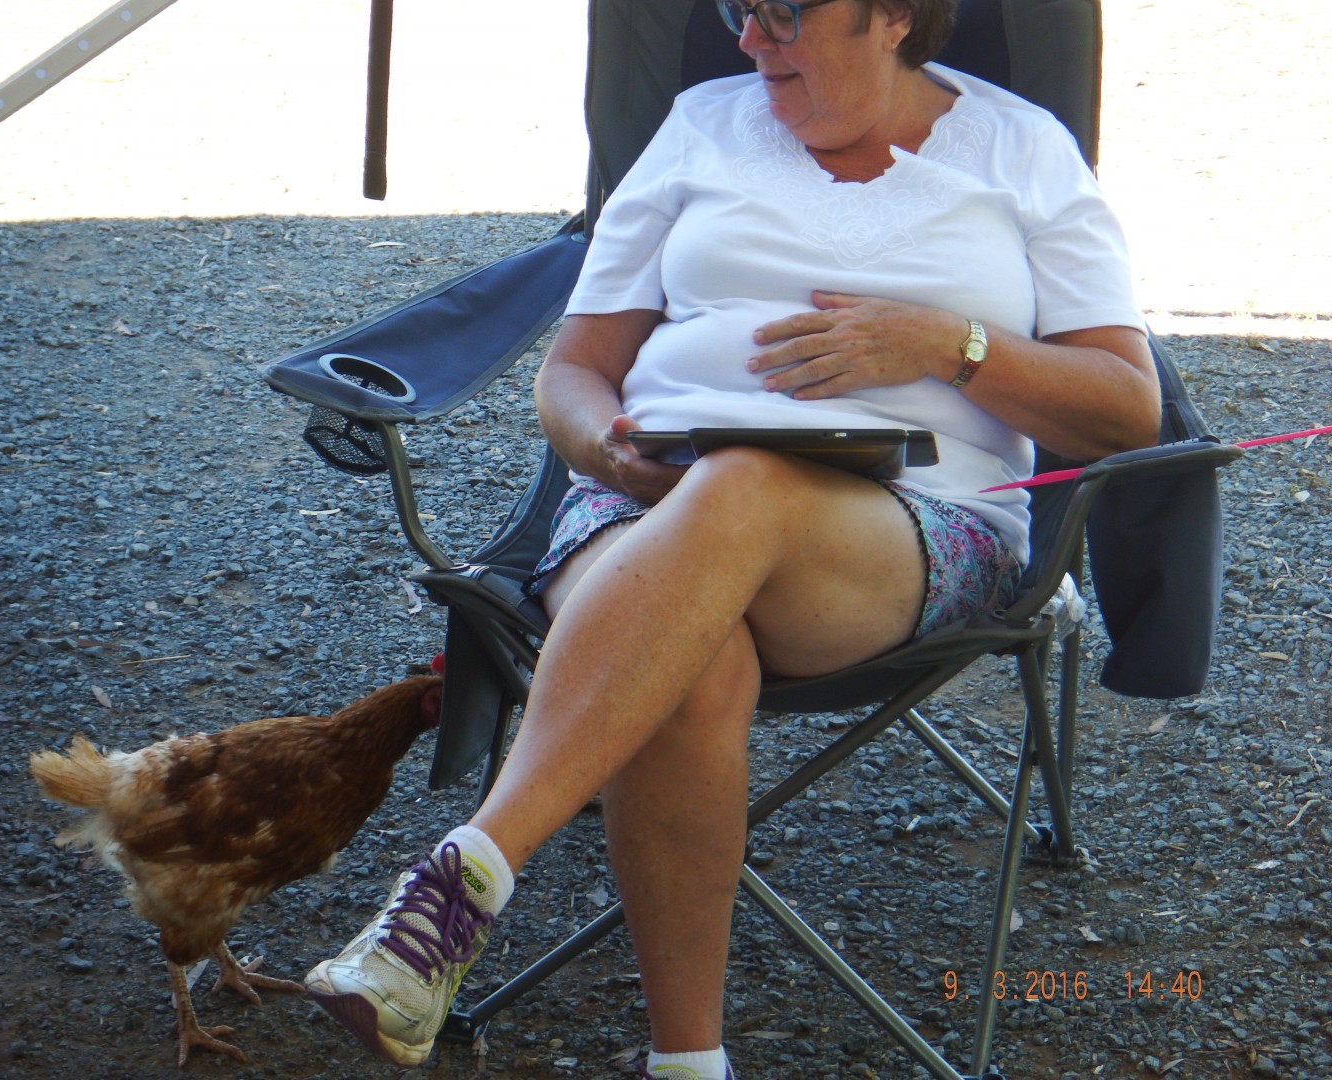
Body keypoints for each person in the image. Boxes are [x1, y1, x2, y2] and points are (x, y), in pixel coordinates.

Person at [304, 1, 1161, 1076]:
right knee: (695, 656)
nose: (751, 39)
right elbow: (575, 372)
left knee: (745, 480)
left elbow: (1127, 406)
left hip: (911, 530)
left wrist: (953, 345)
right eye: (736, 8)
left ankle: (466, 877)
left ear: (896, 14)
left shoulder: (1022, 150)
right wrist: (608, 451)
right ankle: (687, 1063)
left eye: (785, 10)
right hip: (640, 509)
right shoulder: (700, 124)